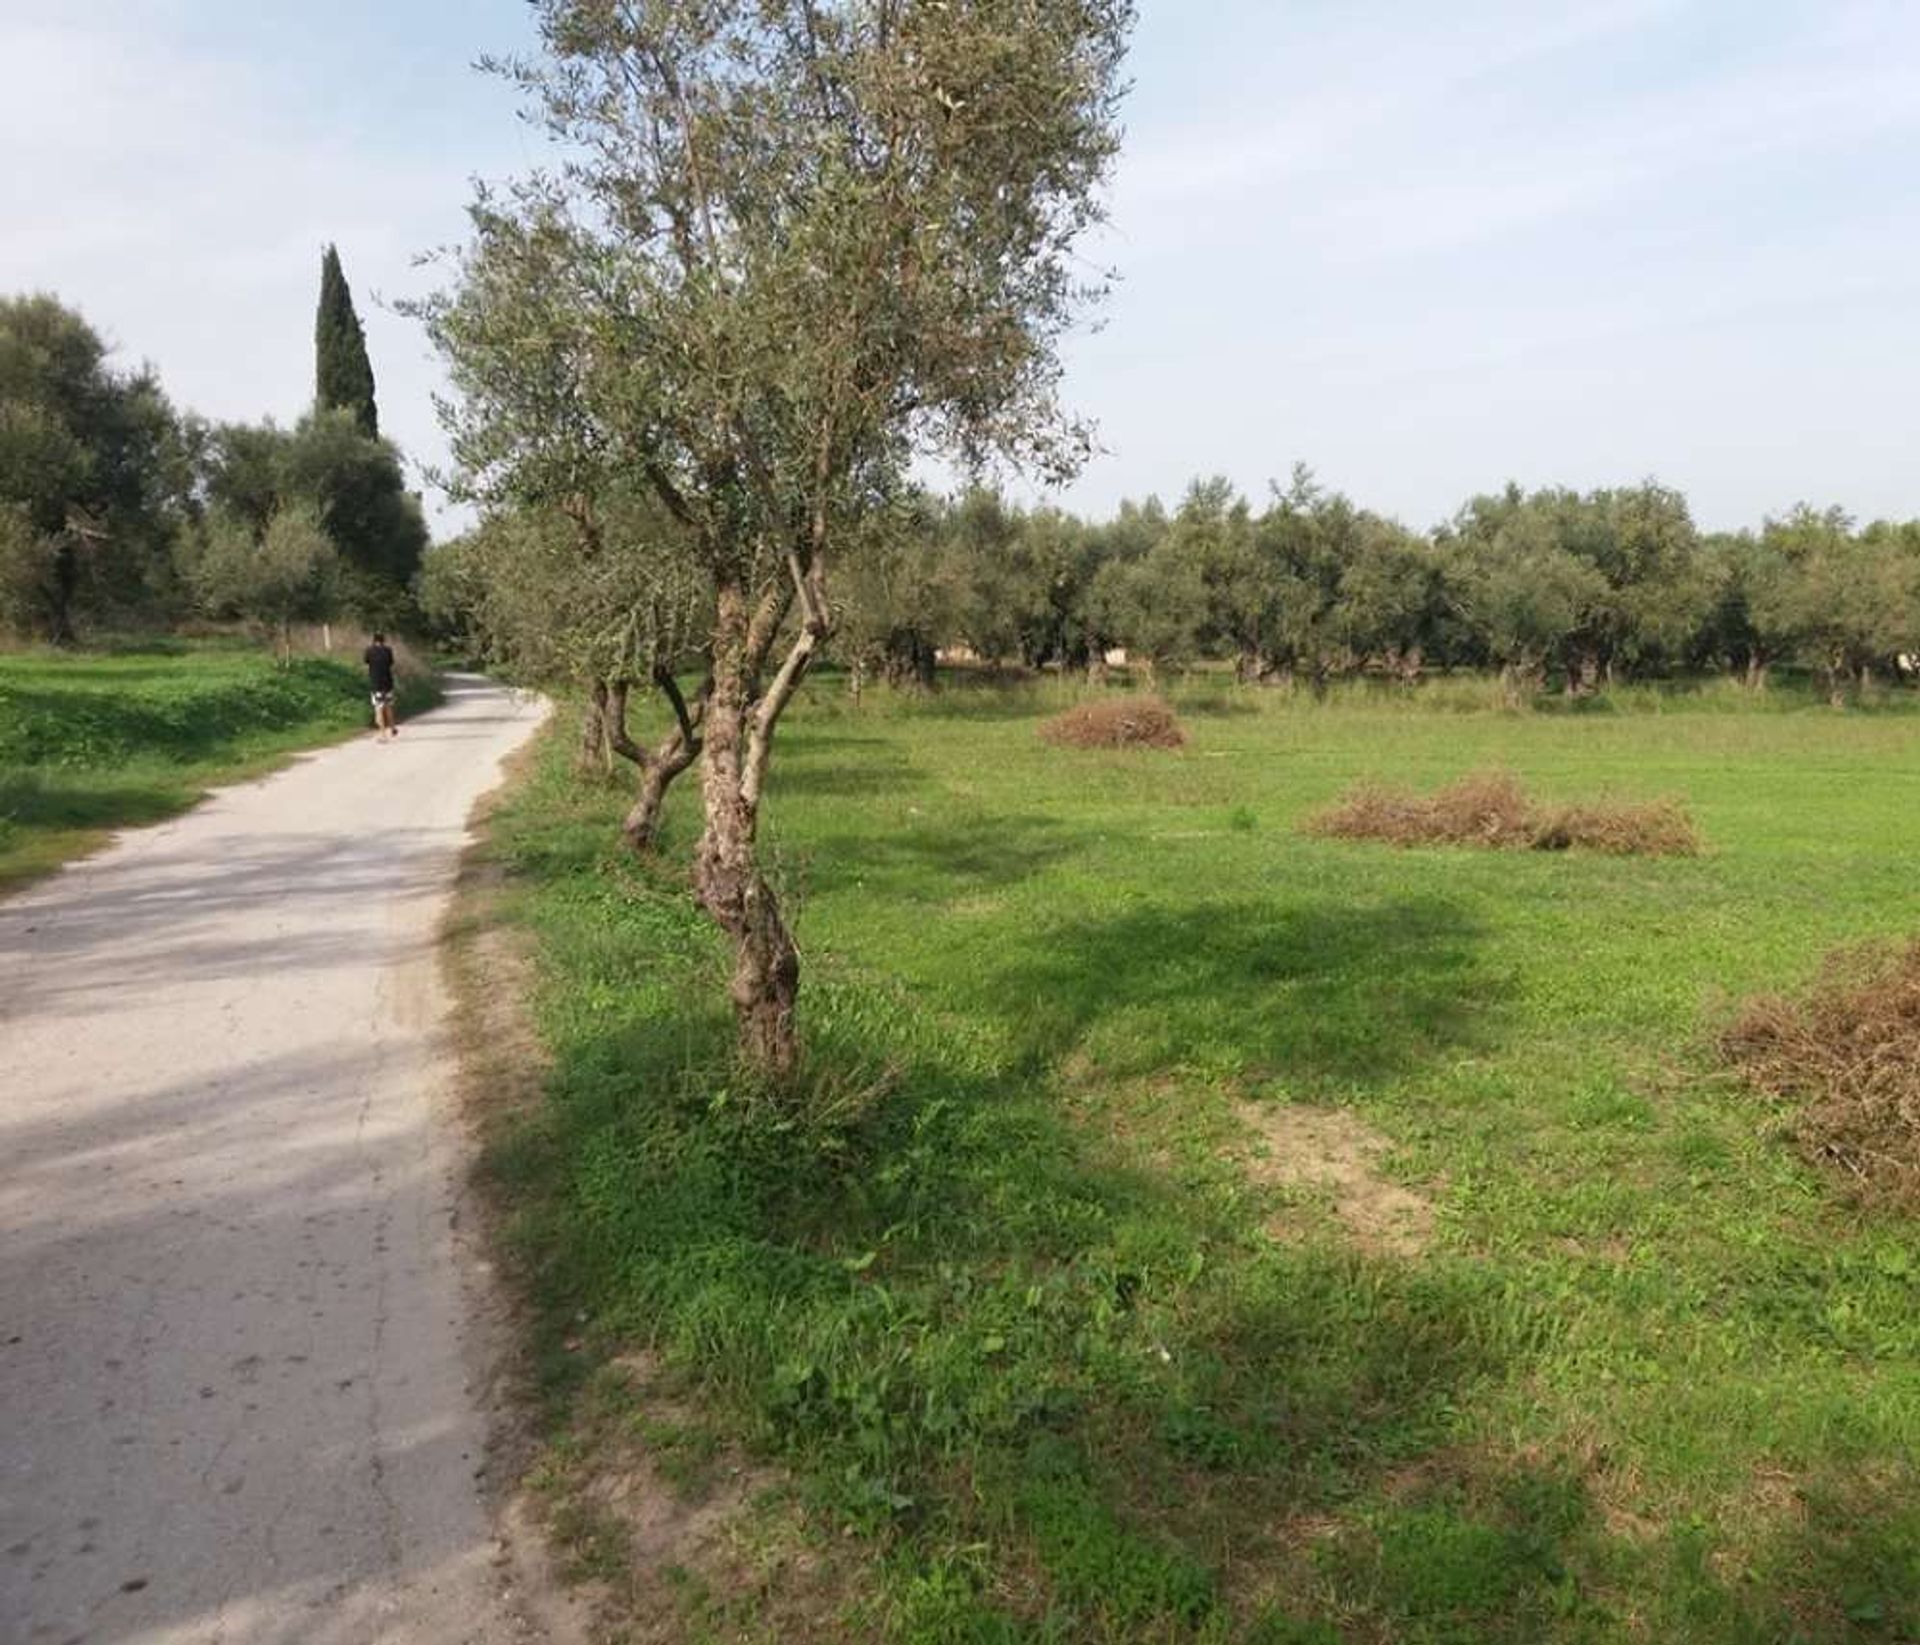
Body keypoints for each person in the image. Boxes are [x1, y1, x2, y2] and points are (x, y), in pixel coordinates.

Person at [363, 633, 399, 739]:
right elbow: (391, 663)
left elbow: (366, 663)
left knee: (378, 709)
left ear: (373, 640)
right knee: (388, 707)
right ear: (383, 640)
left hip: (376, 684)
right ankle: (392, 728)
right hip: (388, 683)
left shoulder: (369, 651)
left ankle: (383, 734)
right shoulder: (388, 650)